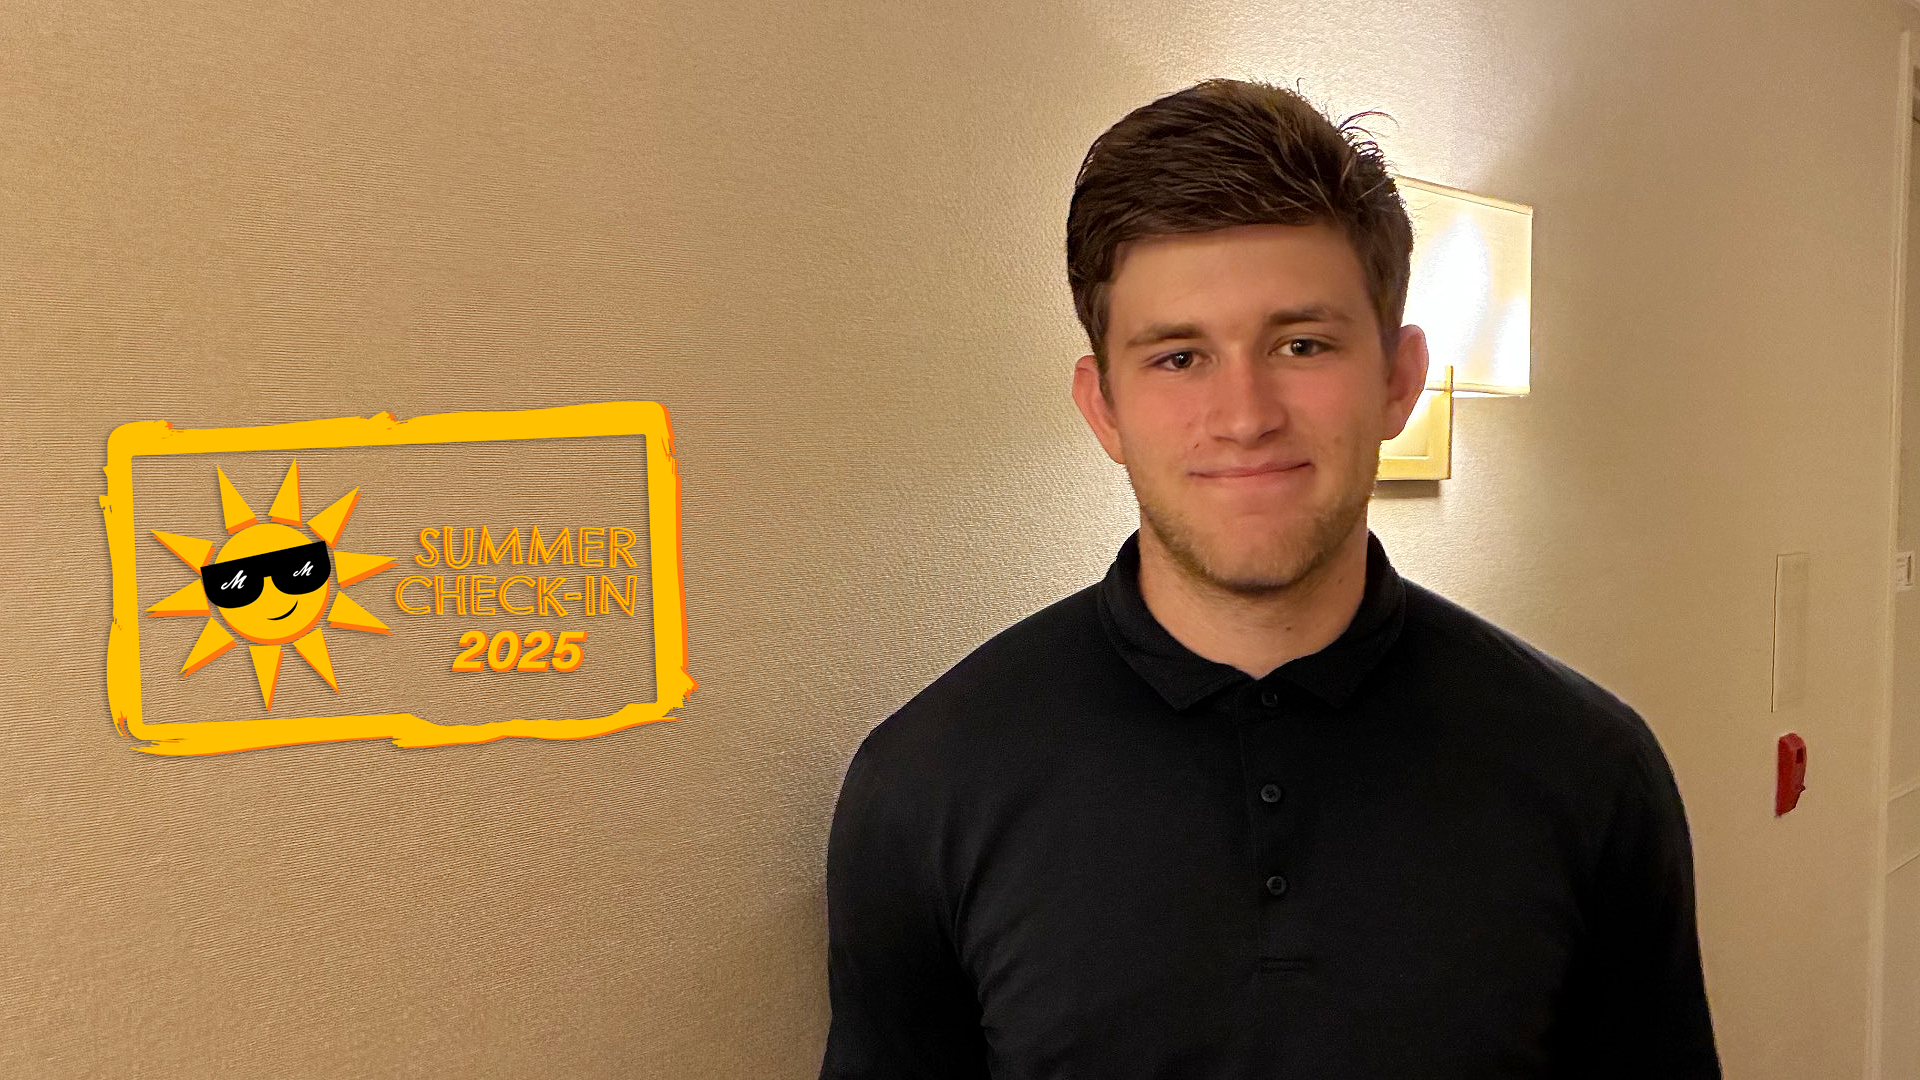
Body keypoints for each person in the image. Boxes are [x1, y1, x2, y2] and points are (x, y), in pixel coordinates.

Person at [818, 77, 1720, 1079]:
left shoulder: (1592, 772)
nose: (1245, 415)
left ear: (1399, 380)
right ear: (1103, 408)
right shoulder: (925, 787)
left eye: (1301, 345)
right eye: (1178, 358)